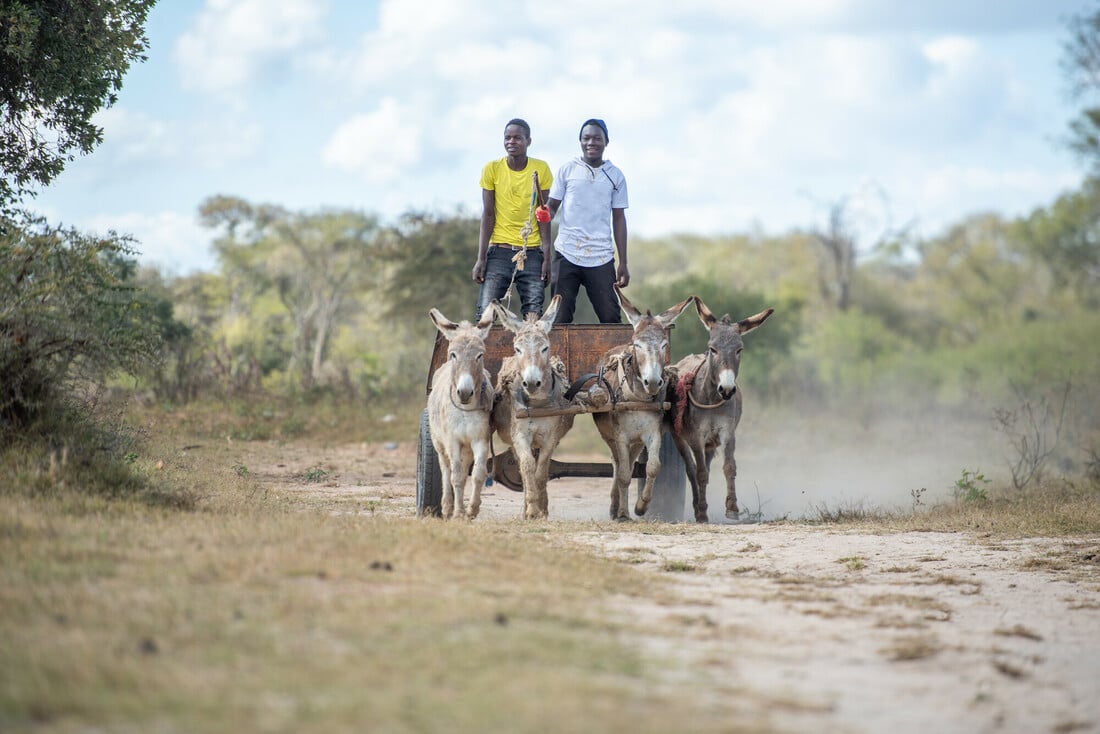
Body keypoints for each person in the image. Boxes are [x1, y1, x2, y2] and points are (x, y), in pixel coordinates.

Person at [546, 118, 629, 324]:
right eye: (586, 138)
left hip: (601, 257)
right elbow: (551, 207)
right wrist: (544, 212)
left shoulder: (615, 175)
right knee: (558, 318)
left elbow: (619, 219)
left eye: (597, 138)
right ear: (580, 141)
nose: (591, 142)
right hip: (566, 253)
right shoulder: (568, 170)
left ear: (606, 142)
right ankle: (558, 357)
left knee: (611, 318)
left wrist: (623, 263)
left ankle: (615, 357)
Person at [472, 118, 553, 320]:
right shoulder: (492, 169)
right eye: (507, 138)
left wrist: (547, 257)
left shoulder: (540, 169)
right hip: (499, 250)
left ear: (528, 141)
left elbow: (543, 215)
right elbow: (488, 214)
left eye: (517, 138)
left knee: (533, 316)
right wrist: (481, 258)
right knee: (485, 315)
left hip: (531, 252)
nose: (511, 142)